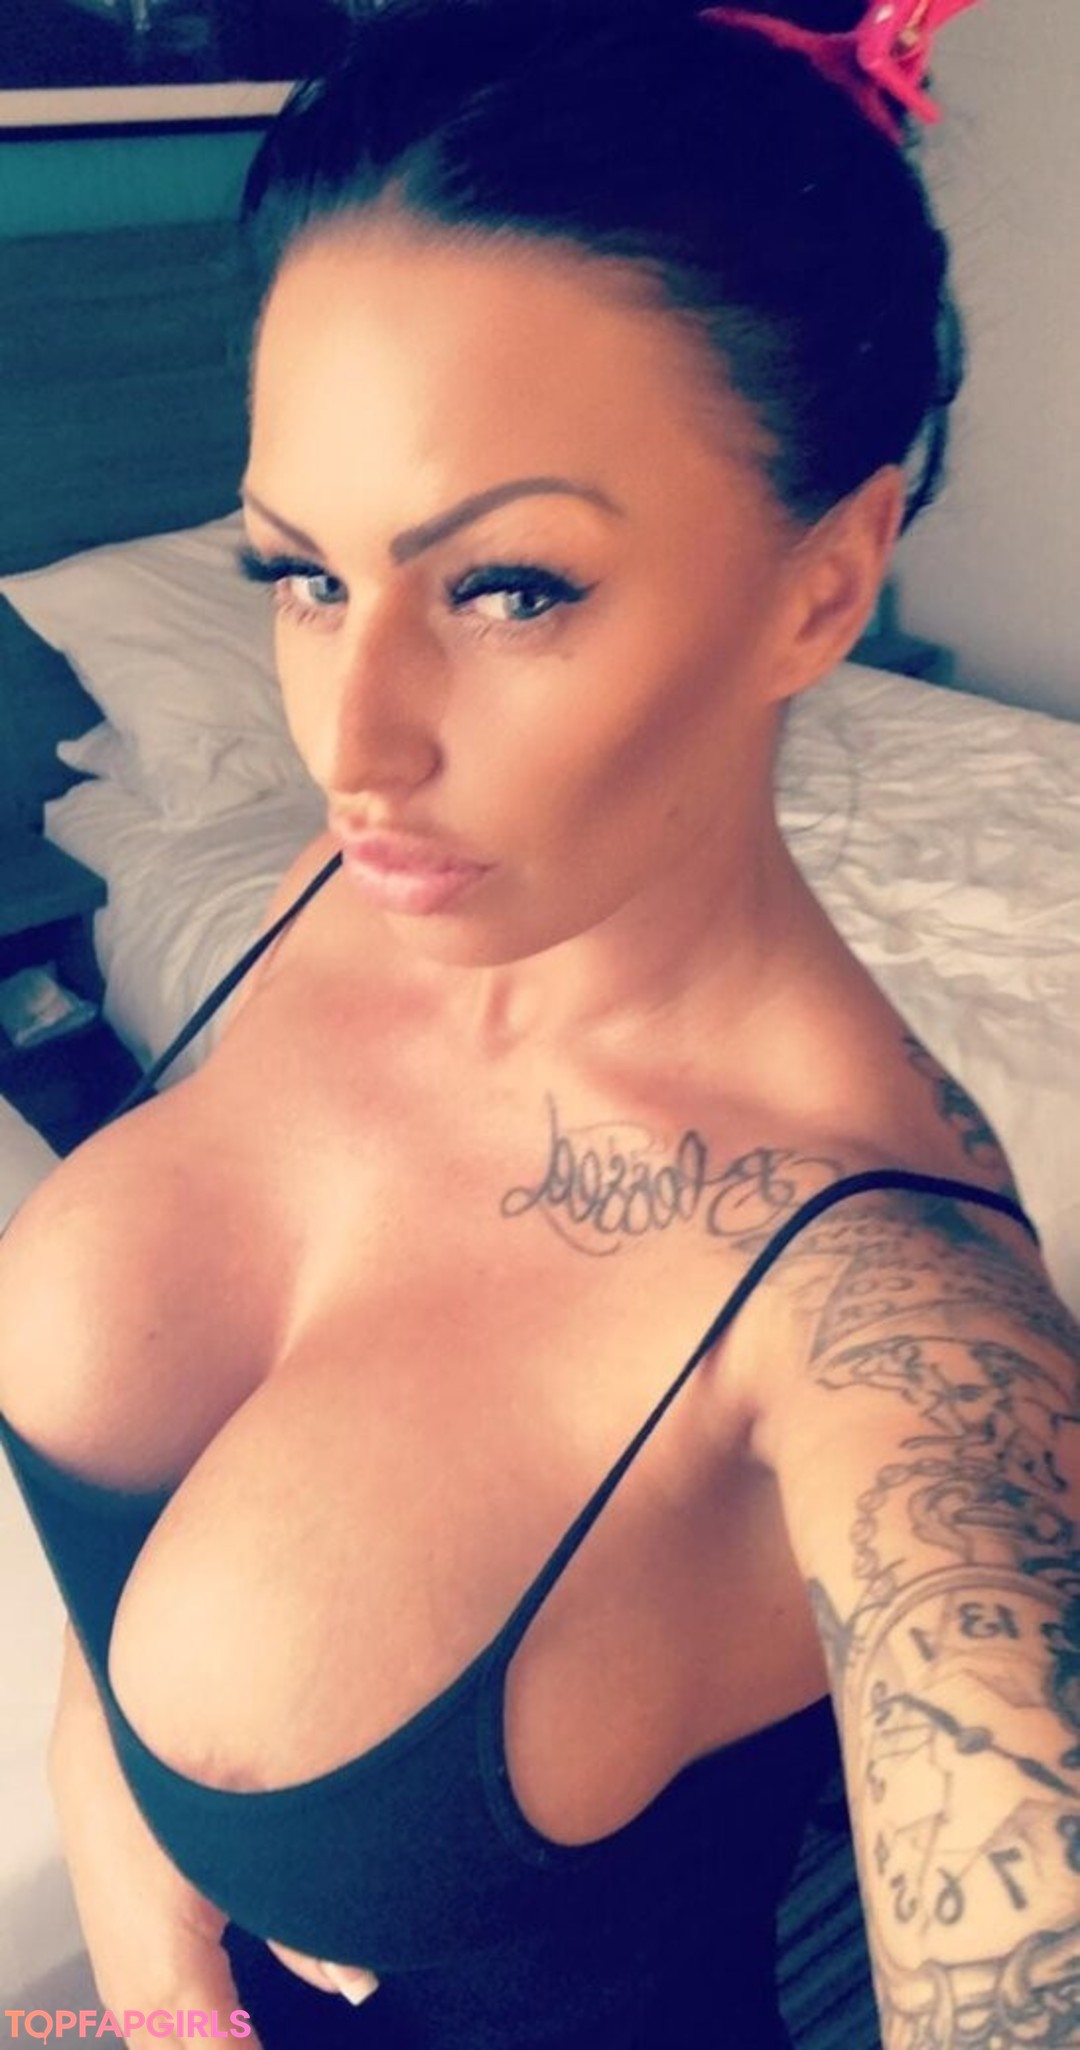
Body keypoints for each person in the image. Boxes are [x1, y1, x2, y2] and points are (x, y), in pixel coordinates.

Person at [1, 1, 1077, 2044]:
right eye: (299, 575)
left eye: (508, 587)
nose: (353, 744)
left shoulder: (897, 1332)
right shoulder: (342, 890)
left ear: (825, 582)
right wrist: (125, 1848)